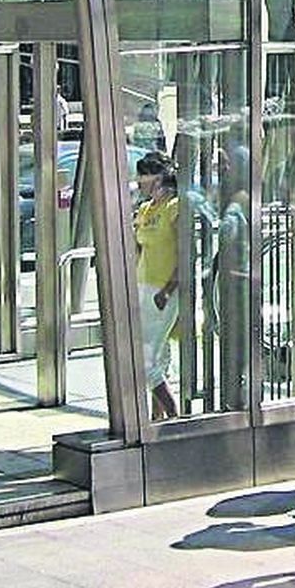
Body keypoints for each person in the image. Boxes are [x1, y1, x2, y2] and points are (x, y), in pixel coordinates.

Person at [134, 152, 182, 421]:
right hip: (144, 288)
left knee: (146, 361)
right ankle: (157, 418)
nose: (139, 180)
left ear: (159, 177)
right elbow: (138, 250)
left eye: (144, 174)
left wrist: (168, 290)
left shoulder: (173, 207)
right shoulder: (145, 209)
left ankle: (174, 415)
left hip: (163, 291)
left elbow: (184, 252)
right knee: (158, 357)